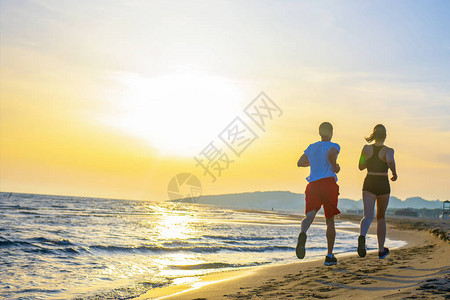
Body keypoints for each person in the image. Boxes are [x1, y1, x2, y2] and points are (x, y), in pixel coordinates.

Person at [297, 122, 341, 266]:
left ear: (319, 133)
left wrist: (314, 161)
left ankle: (303, 233)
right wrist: (334, 166)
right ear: (331, 132)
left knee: (309, 216)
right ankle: (329, 256)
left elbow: (300, 162)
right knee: (329, 220)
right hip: (328, 184)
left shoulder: (312, 147)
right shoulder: (334, 145)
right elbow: (331, 154)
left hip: (313, 185)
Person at [358, 124, 397, 259]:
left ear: (373, 135)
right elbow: (390, 161)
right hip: (382, 183)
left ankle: (362, 237)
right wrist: (394, 173)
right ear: (385, 136)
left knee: (367, 216)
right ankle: (381, 250)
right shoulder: (389, 150)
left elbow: (361, 166)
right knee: (380, 217)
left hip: (369, 181)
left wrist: (367, 160)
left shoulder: (366, 148)